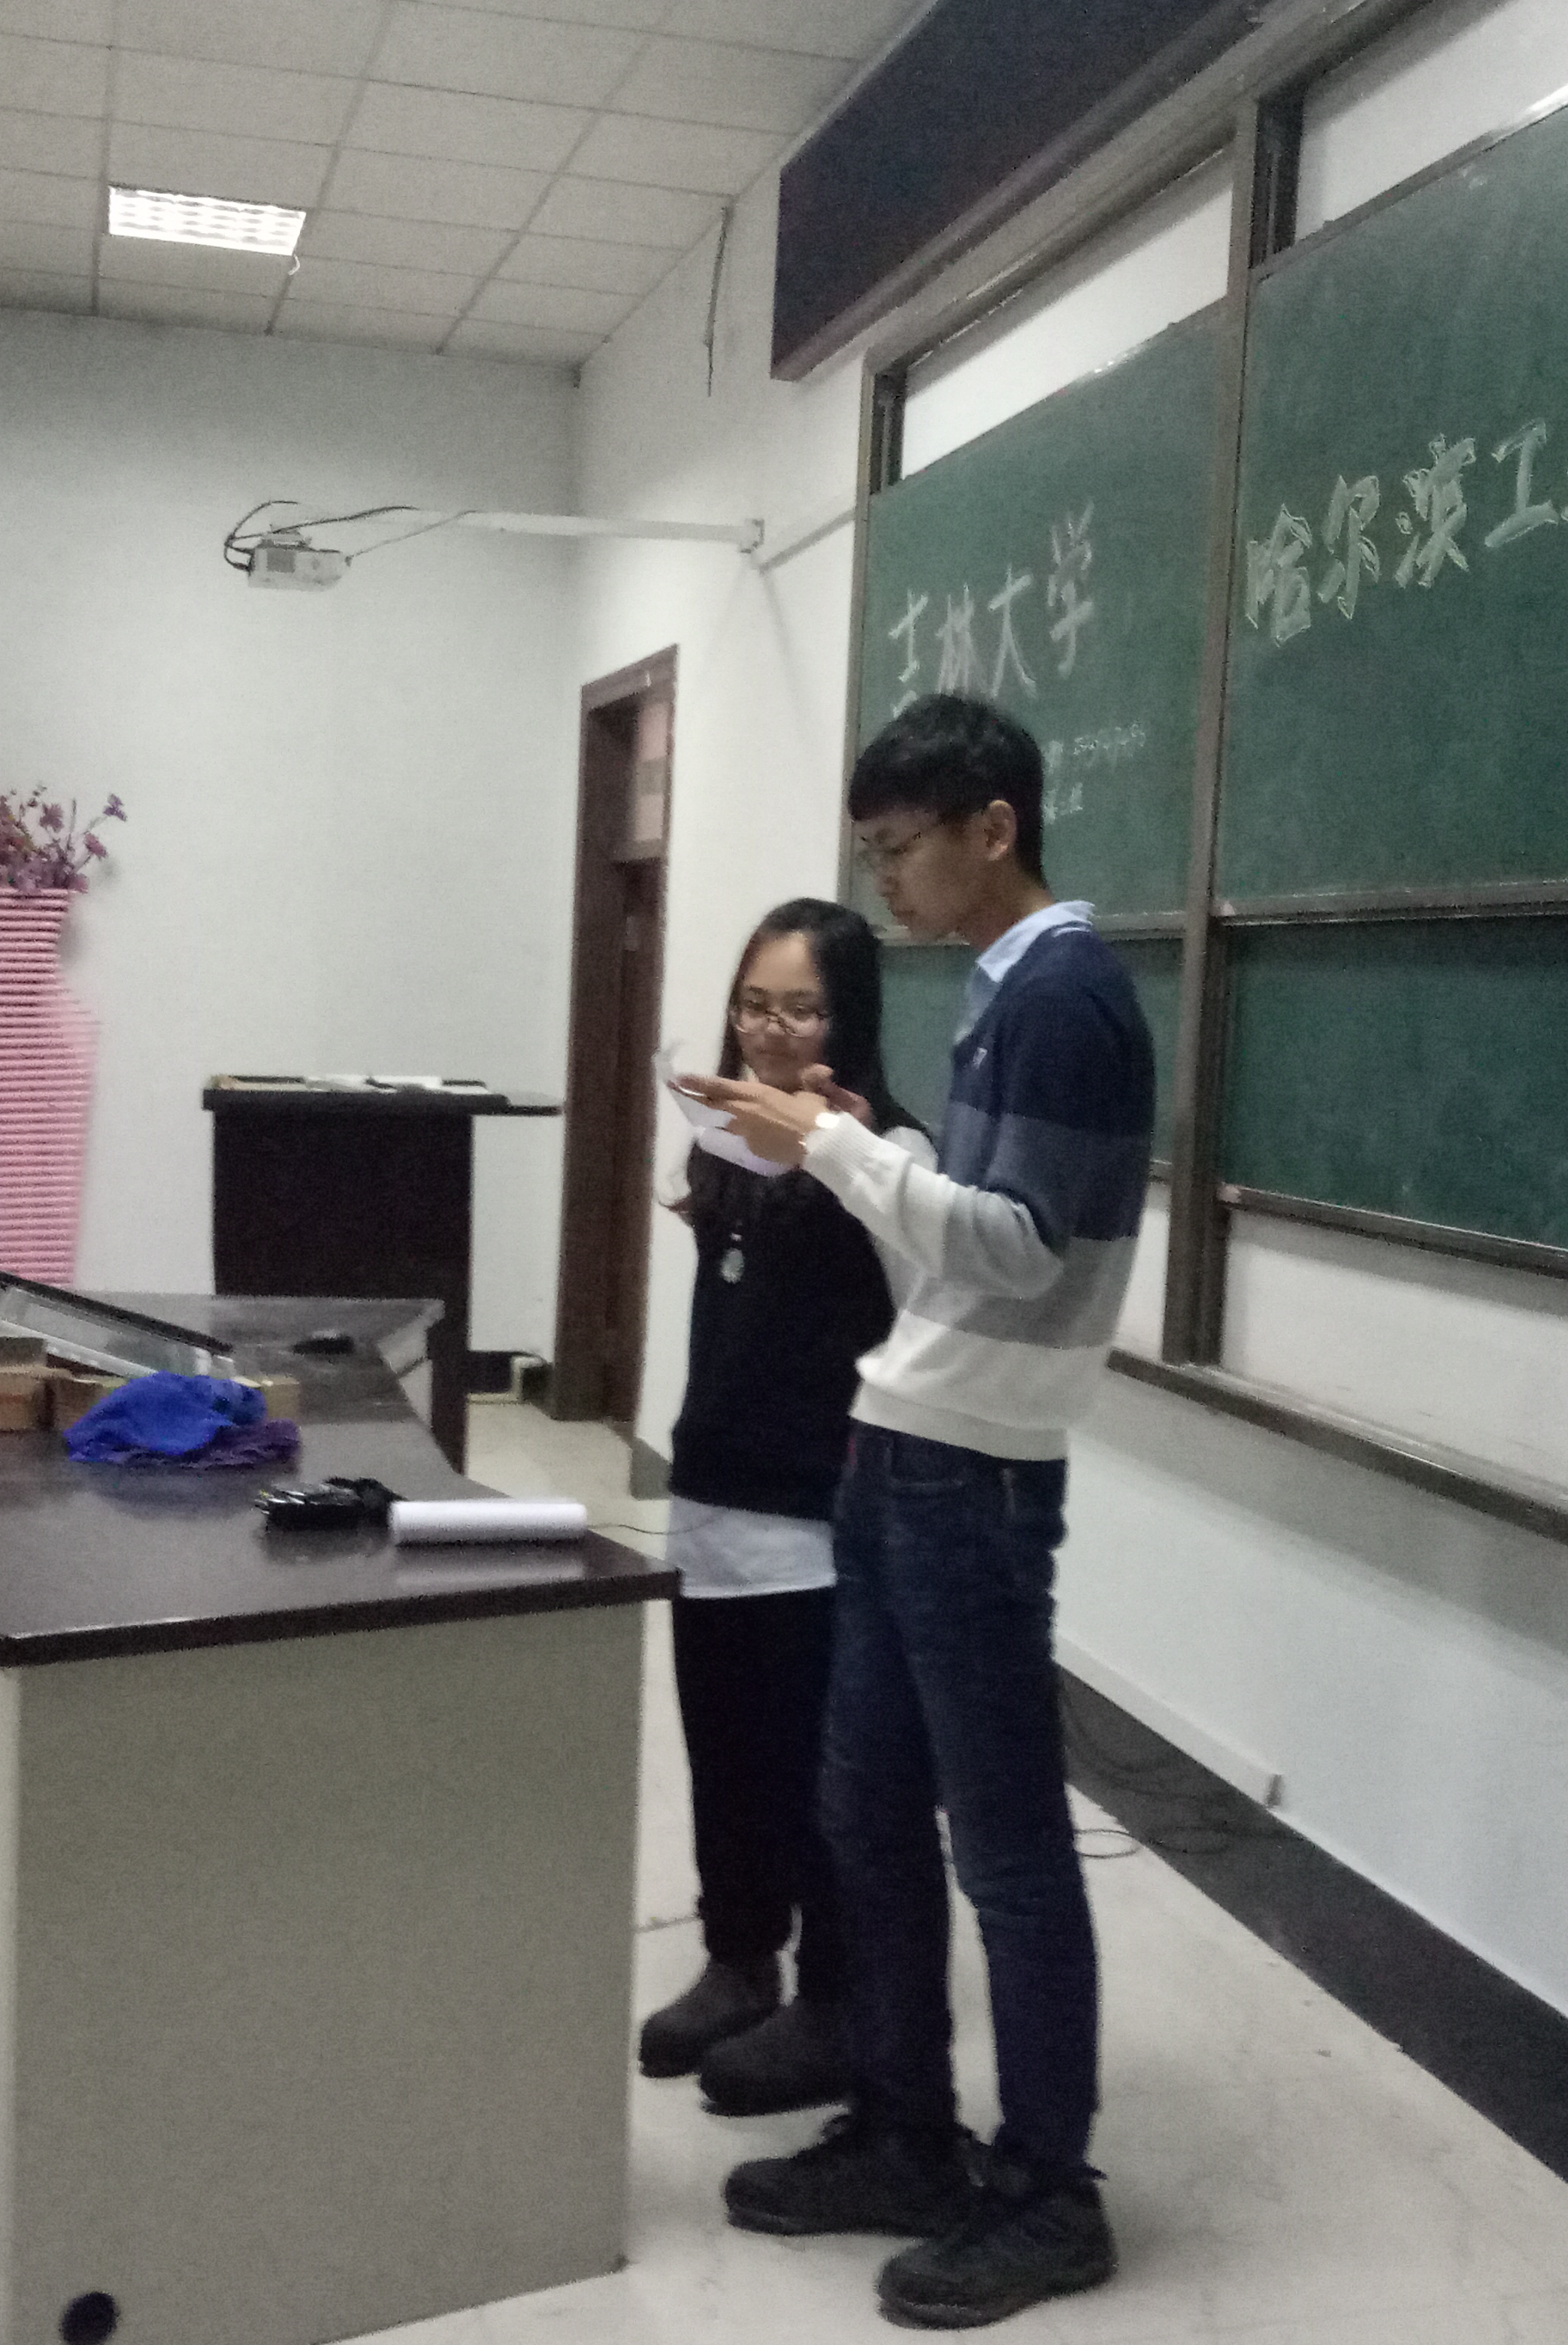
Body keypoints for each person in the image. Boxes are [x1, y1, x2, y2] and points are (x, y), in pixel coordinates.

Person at [675, 694, 1156, 2329]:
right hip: (904, 1443)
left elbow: (1020, 1248)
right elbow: (966, 1240)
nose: (885, 883)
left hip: (974, 1475)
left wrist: (833, 1148)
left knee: (1007, 1847)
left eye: (899, 850)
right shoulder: (1008, 988)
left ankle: (1050, 2194)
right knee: (864, 1813)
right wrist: (844, 1149)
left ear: (992, 829)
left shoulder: (1068, 996)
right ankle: (903, 2130)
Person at [640, 898, 934, 2119]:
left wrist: (841, 1155)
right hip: (711, 1493)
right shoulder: (725, 1134)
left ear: (848, 1018)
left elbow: (931, 1310)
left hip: (820, 1517)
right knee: (723, 1752)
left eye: (801, 1010)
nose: (769, 1031)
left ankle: (837, 1997)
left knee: (816, 1774)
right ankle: (738, 1959)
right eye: (754, 1005)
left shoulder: (889, 1150)